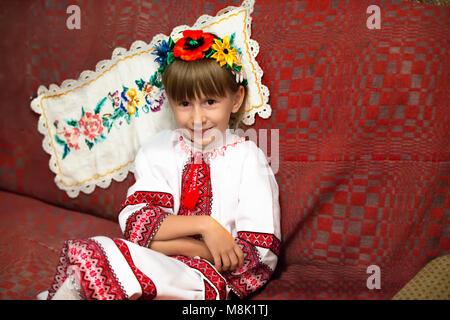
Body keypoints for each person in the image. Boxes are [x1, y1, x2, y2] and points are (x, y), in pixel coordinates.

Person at [41, 29, 281, 300]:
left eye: (210, 102)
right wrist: (207, 227)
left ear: (236, 99)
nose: (198, 118)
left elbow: (259, 256)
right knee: (101, 249)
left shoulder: (249, 158)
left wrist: (181, 247)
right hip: (162, 263)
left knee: (118, 269)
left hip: (215, 278)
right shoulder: (160, 151)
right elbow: (137, 224)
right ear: (171, 102)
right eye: (185, 103)